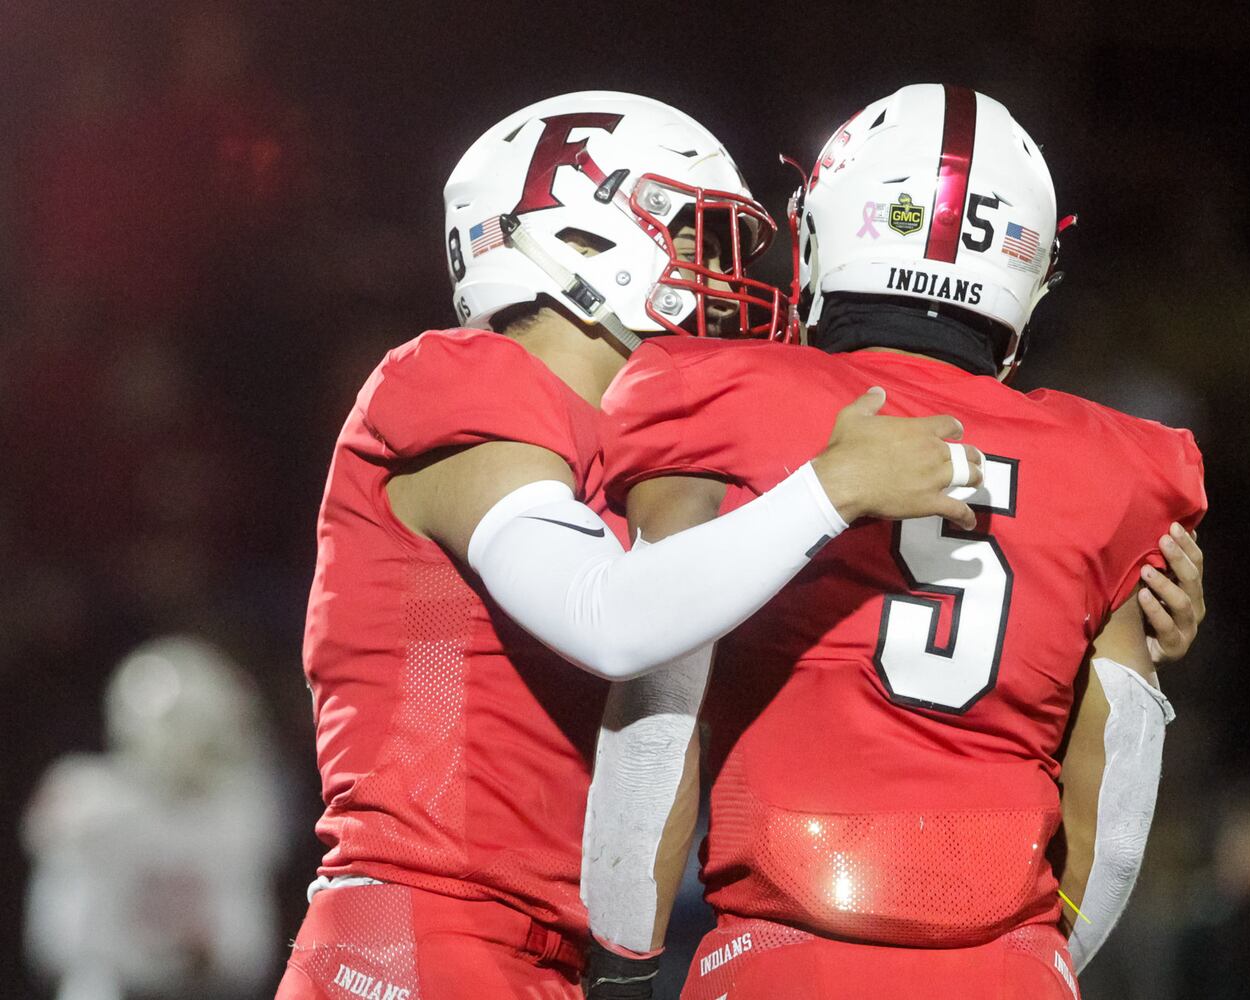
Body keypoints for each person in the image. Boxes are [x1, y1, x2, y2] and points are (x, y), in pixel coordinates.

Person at [275, 91, 981, 1000]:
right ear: (574, 239)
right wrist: (832, 488)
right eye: (694, 237)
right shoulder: (459, 385)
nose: (719, 277)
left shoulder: (617, 449)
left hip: (526, 953)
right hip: (419, 934)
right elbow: (604, 617)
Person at [585, 84, 1207, 999]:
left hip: (780, 955)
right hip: (1006, 966)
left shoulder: (712, 394)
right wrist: (1047, 963)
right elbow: (1114, 782)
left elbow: (658, 701)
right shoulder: (1114, 467)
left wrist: (620, 965)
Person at [24, 636, 286, 1000]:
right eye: (210, 735)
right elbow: (60, 941)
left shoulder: (237, 810)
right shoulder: (89, 799)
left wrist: (209, 957)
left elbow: (247, 952)